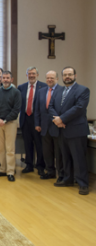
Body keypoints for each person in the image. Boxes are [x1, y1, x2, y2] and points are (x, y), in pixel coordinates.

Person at [49, 66, 90, 195]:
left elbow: (78, 108)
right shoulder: (58, 90)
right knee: (65, 157)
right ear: (62, 77)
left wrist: (62, 119)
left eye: (70, 74)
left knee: (78, 158)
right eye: (65, 75)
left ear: (75, 76)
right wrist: (57, 120)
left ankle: (83, 184)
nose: (67, 77)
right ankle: (68, 179)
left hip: (76, 130)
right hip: (61, 130)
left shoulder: (83, 90)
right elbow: (50, 106)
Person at [34, 70, 64, 181]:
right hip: (44, 126)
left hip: (57, 125)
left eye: (52, 78)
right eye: (48, 78)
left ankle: (61, 174)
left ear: (57, 79)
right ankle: (50, 171)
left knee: (59, 151)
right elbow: (37, 109)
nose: (49, 80)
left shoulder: (62, 90)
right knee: (47, 151)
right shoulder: (41, 91)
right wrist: (37, 123)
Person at [0, 70, 21, 182]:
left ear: (11, 79)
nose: (5, 80)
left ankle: (10, 171)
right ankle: (2, 169)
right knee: (0, 148)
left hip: (10, 123)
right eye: (4, 78)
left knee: (10, 149)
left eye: (8, 78)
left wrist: (6, 119)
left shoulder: (16, 92)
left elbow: (16, 109)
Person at [18, 66, 47, 175]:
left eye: (33, 73)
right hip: (25, 119)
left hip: (38, 120)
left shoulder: (43, 87)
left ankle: (40, 165)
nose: (31, 75)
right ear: (26, 75)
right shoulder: (21, 87)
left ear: (37, 75)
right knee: (27, 143)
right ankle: (29, 164)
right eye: (29, 74)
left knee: (39, 144)